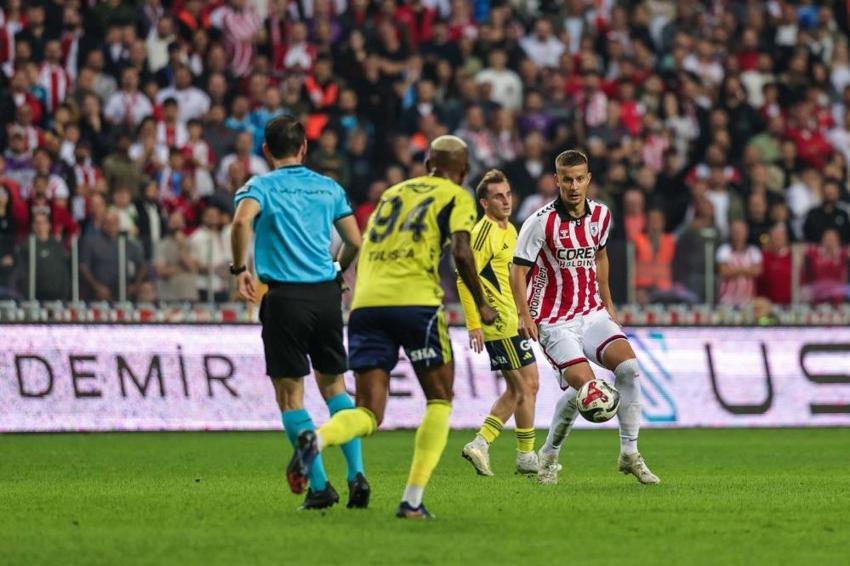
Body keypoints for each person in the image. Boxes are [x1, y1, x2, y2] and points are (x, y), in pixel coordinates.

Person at [288, 135, 496, 519]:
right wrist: (482, 302)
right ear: (464, 171)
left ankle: (316, 439)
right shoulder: (456, 195)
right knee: (439, 400)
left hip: (367, 305)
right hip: (416, 302)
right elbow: (462, 251)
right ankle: (412, 501)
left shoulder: (392, 194)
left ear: (428, 163)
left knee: (369, 412)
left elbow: (366, 245)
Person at [230, 116, 365, 511]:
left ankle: (320, 486)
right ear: (304, 147)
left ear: (266, 150)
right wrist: (338, 270)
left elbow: (241, 221)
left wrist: (240, 270)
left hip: (285, 298)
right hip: (325, 297)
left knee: (291, 396)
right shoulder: (329, 187)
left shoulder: (260, 186)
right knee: (335, 388)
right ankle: (357, 476)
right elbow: (354, 241)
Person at [510, 150, 660, 486]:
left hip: (591, 312)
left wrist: (608, 302)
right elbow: (517, 271)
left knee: (629, 368)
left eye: (579, 179)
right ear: (557, 181)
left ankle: (629, 453)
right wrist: (524, 313)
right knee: (588, 389)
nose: (574, 186)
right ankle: (549, 455)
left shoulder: (602, 215)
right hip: (554, 320)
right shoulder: (540, 222)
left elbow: (601, 257)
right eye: (567, 180)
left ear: (588, 179)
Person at [458, 169, 541, 477]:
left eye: (507, 194)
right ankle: (484, 444)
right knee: (521, 387)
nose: (506, 201)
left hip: (512, 320)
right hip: (497, 322)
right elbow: (463, 278)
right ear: (484, 202)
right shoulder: (483, 233)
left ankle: (523, 455)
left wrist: (524, 312)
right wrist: (474, 324)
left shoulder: (511, 229)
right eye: (497, 197)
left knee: (529, 385)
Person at [716, 220, 762, 306]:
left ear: (746, 233)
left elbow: (757, 271)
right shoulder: (724, 250)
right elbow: (724, 272)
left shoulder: (753, 250)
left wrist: (734, 270)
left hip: (748, 300)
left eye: (740, 232)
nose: (738, 234)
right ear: (731, 233)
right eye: (735, 231)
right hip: (727, 300)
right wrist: (746, 270)